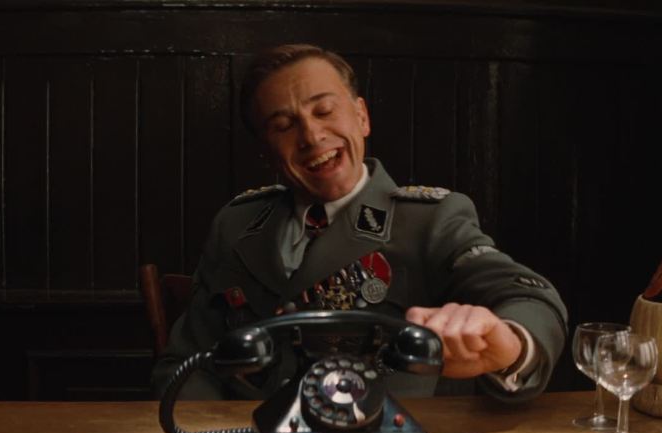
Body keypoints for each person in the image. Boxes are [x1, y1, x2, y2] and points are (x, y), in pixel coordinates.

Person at [154, 44, 567, 402]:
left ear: (362, 117)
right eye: (283, 126)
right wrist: (209, 431)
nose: (311, 136)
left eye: (325, 110)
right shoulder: (237, 224)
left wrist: (511, 343)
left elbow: (529, 298)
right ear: (266, 149)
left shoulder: (430, 220)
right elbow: (188, 362)